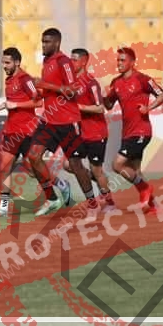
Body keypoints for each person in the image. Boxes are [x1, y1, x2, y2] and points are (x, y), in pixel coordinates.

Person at [27, 28, 95, 218]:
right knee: (33, 157)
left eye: (47, 42)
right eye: (42, 41)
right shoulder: (47, 62)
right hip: (49, 120)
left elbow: (73, 91)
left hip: (68, 121)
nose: (43, 45)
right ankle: (53, 196)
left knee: (75, 164)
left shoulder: (63, 61)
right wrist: (39, 92)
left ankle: (92, 202)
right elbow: (50, 89)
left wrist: (45, 85)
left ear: (57, 43)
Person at [103, 47, 163, 215]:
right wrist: (102, 97)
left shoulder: (143, 79)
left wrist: (149, 107)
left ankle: (146, 188)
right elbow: (109, 105)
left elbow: (162, 94)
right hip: (127, 132)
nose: (119, 63)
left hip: (141, 131)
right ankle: (152, 205)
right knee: (136, 171)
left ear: (132, 62)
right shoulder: (116, 83)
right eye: (118, 60)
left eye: (123, 60)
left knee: (117, 164)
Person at [0, 47, 42, 218]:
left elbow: (38, 102)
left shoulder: (25, 79)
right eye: (3, 62)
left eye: (7, 62)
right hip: (11, 131)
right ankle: (3, 208)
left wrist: (17, 106)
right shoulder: (10, 80)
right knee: (4, 169)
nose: (4, 66)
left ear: (17, 62)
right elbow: (12, 101)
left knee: (33, 170)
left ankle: (59, 186)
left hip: (27, 132)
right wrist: (0, 107)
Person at [66, 48, 114, 212]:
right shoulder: (71, 84)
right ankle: (96, 180)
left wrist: (79, 107)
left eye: (74, 60)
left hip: (96, 133)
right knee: (68, 164)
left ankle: (109, 202)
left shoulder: (91, 83)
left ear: (84, 62)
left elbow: (100, 108)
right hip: (80, 133)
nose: (70, 63)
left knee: (96, 168)